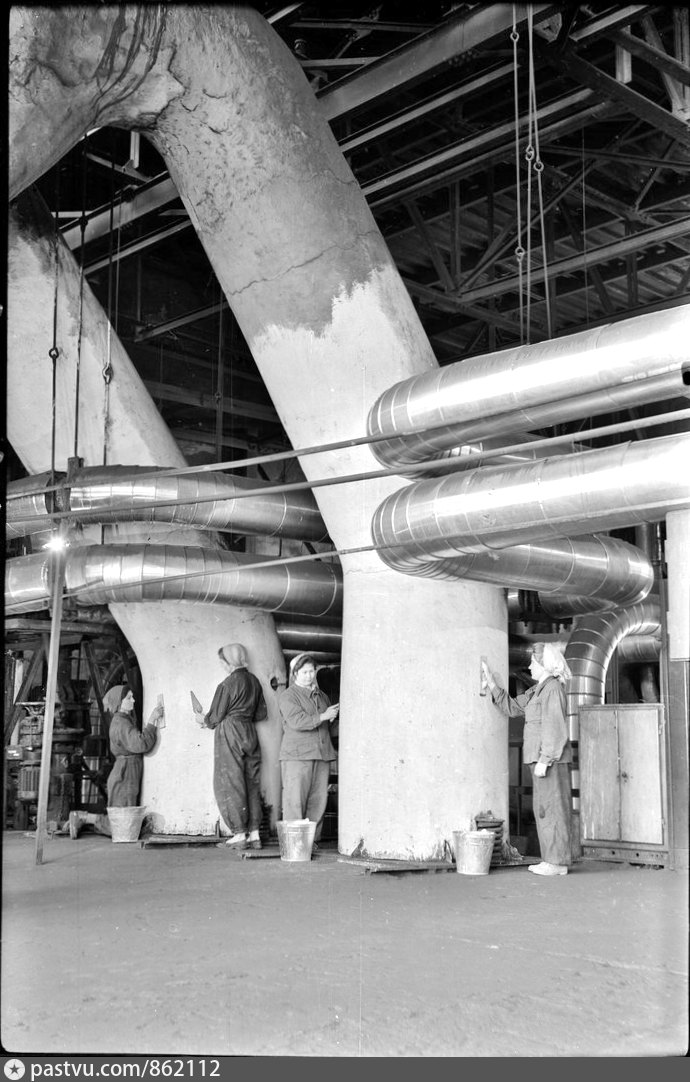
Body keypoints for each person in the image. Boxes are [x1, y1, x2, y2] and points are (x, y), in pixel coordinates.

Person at [481, 643, 573, 877]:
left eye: (533, 662)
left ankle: (557, 862)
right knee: (544, 810)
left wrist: (546, 759)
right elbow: (512, 707)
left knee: (552, 810)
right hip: (541, 759)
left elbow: (555, 726)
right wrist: (491, 683)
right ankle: (551, 859)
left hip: (550, 761)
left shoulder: (552, 689)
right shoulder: (538, 690)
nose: (530, 666)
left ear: (544, 665)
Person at [195, 643, 267, 850]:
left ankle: (239, 833)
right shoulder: (254, 681)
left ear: (229, 662)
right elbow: (261, 714)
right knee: (252, 782)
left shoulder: (227, 684)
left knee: (231, 782)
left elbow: (213, 719)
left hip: (230, 734)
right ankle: (254, 834)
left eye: (222, 662)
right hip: (250, 733)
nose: (222, 666)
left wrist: (202, 719)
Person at [68, 685, 164, 838]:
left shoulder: (124, 720)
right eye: (128, 698)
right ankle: (83, 817)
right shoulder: (121, 723)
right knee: (122, 823)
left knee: (123, 821)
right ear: (119, 703)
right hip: (125, 773)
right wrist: (152, 720)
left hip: (126, 771)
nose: (133, 700)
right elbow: (140, 744)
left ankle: (82, 820)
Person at [278, 653, 339, 852]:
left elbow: (327, 728)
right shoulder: (288, 696)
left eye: (312, 671)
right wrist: (323, 716)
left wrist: (335, 720)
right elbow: (297, 721)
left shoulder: (322, 696)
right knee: (294, 801)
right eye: (304, 672)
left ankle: (311, 843)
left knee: (318, 802)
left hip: (321, 755)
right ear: (295, 673)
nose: (309, 676)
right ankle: (295, 845)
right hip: (297, 755)